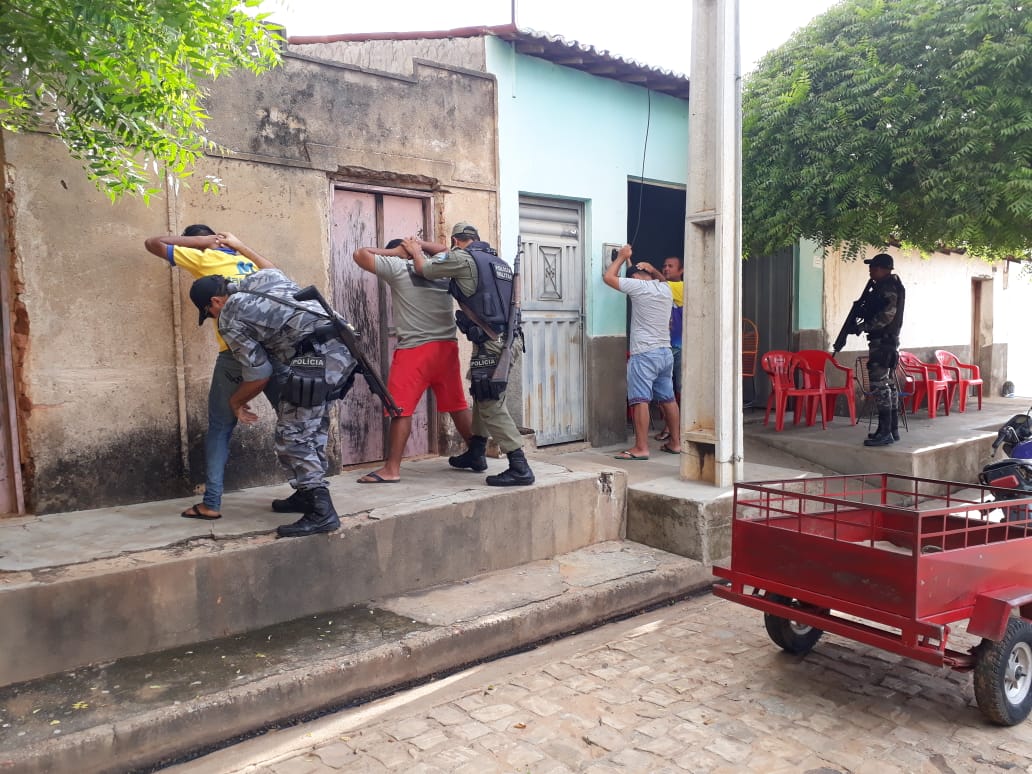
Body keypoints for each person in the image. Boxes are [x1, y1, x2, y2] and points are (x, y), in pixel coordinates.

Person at [188, 269, 357, 537]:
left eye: (208, 312)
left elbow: (259, 374)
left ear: (215, 302)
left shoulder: (229, 316)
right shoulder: (264, 277)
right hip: (344, 342)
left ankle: (322, 511)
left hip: (314, 358)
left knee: (292, 436)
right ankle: (306, 495)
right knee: (311, 423)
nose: (212, 317)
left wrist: (236, 402)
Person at [144, 225, 284, 521]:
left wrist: (202, 243)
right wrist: (241, 244)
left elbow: (153, 243)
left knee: (220, 427)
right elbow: (275, 272)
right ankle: (308, 490)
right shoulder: (247, 262)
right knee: (292, 420)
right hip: (275, 349)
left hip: (235, 353)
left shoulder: (204, 258)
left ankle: (211, 503)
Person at [407, 223, 534, 486]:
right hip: (507, 340)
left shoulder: (462, 258)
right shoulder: (497, 262)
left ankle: (519, 465)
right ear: (476, 239)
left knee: (489, 402)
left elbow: (424, 269)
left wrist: (414, 250)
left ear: (455, 241)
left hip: (490, 343)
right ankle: (476, 452)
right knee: (481, 393)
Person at [351, 238, 474, 483]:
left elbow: (360, 254)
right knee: (457, 405)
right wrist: (422, 245)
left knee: (400, 408)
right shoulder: (441, 267)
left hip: (415, 350)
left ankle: (391, 469)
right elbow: (451, 250)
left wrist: (397, 252)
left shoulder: (398, 267)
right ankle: (477, 452)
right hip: (447, 347)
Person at [603, 244, 681, 460]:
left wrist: (621, 257)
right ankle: (675, 443)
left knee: (640, 400)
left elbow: (609, 277)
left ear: (635, 277)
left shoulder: (638, 287)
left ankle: (641, 448)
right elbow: (659, 278)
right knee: (668, 399)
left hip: (644, 354)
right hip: (665, 353)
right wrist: (650, 268)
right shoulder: (664, 289)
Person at [635, 256, 684, 443]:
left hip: (676, 348)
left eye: (670, 266)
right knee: (666, 394)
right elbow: (642, 282)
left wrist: (651, 268)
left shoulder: (680, 288)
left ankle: (673, 431)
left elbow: (658, 284)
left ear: (681, 271)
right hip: (665, 348)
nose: (665, 269)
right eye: (664, 266)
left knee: (673, 393)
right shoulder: (660, 287)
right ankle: (672, 433)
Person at [861, 253, 906, 447]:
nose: (871, 270)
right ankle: (890, 430)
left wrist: (865, 326)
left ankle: (886, 431)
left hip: (883, 342)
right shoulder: (888, 285)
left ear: (883, 269)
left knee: (880, 386)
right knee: (888, 385)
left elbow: (888, 315)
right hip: (887, 341)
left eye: (874, 267)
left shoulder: (888, 287)